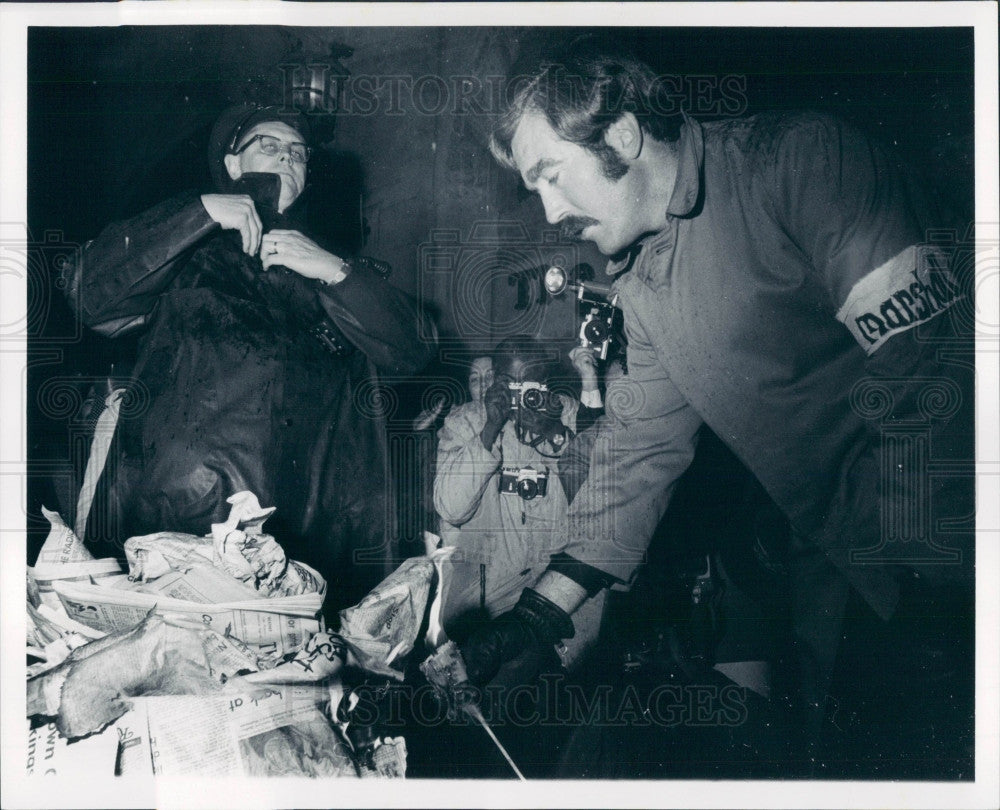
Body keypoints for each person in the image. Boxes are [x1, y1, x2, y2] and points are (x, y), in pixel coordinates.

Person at [462, 41, 974, 753]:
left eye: (550, 176)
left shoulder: (800, 162)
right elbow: (637, 458)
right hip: (839, 565)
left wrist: (944, 587)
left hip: (948, 560)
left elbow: (929, 376)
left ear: (622, 136)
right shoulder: (639, 285)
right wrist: (538, 618)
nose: (548, 213)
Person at [61, 103, 436, 609]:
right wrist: (201, 212)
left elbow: (413, 349)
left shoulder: (329, 264)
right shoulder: (190, 249)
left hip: (307, 530)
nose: (288, 158)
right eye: (270, 146)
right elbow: (88, 292)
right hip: (182, 515)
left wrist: (334, 269)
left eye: (299, 154)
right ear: (233, 165)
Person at [434, 336, 604, 682]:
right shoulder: (465, 421)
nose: (522, 393)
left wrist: (560, 440)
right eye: (510, 384)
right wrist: (489, 431)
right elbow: (451, 508)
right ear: (495, 380)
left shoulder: (569, 415)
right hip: (485, 601)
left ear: (546, 382)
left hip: (558, 595)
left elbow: (599, 511)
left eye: (532, 383)